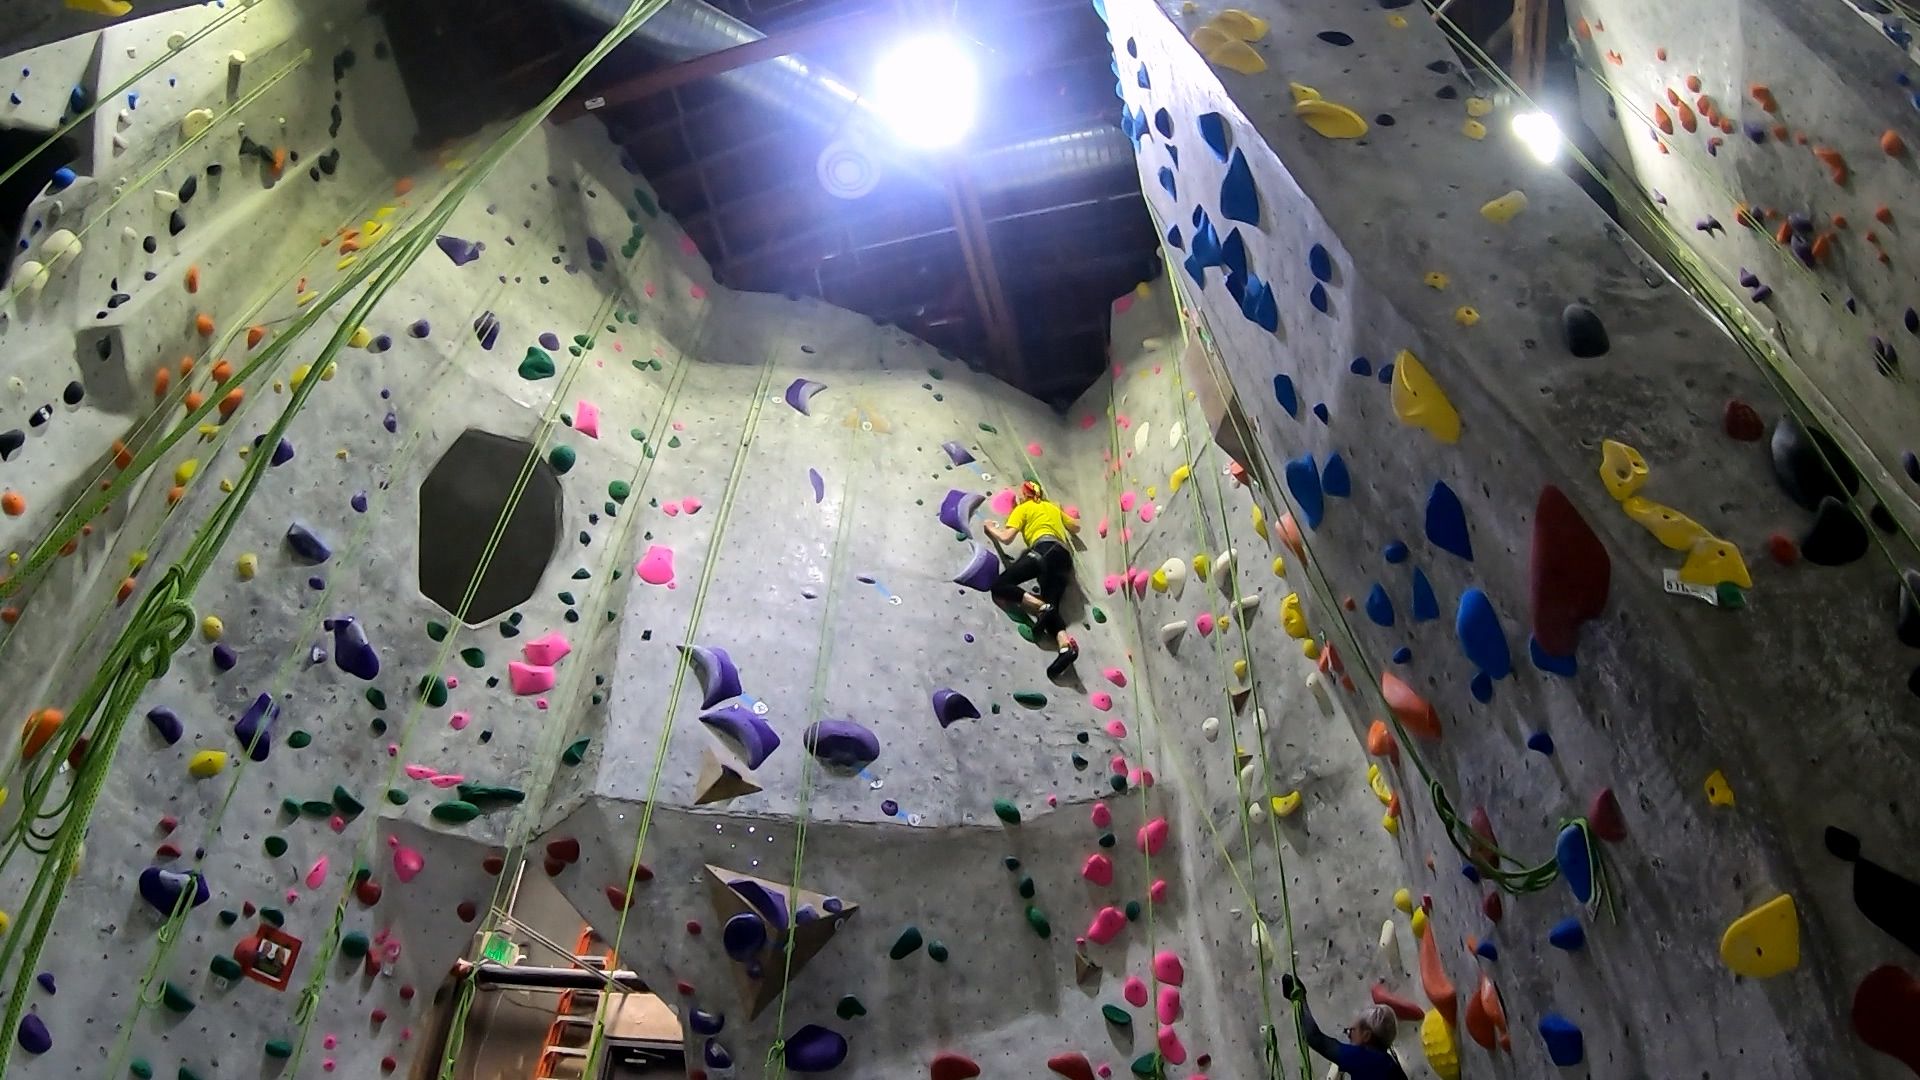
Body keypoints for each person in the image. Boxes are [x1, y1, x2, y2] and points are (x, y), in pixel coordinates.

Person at [984, 481, 1080, 677]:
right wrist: (1060, 512)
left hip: (1042, 550)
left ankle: (1040, 608)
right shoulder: (1052, 507)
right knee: (1052, 607)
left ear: (1023, 496)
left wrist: (989, 527)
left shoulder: (1023, 508)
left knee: (1000, 585)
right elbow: (1076, 528)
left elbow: (1006, 537)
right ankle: (1065, 647)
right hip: (1063, 558)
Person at [1281, 974, 1408, 1080]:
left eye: (1352, 1031)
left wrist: (1300, 999)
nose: (1348, 1036)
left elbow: (1314, 1038)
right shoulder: (1392, 1067)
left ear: (1366, 1035)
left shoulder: (1363, 1058)